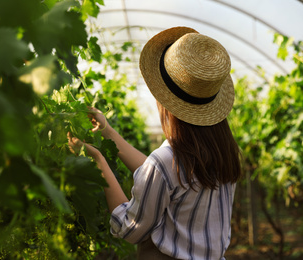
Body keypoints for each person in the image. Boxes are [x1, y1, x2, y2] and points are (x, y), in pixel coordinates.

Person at [68, 26, 242, 260]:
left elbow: (129, 228)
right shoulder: (224, 153)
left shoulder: (166, 162)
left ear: (165, 103)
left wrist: (97, 160)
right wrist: (108, 133)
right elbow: (163, 176)